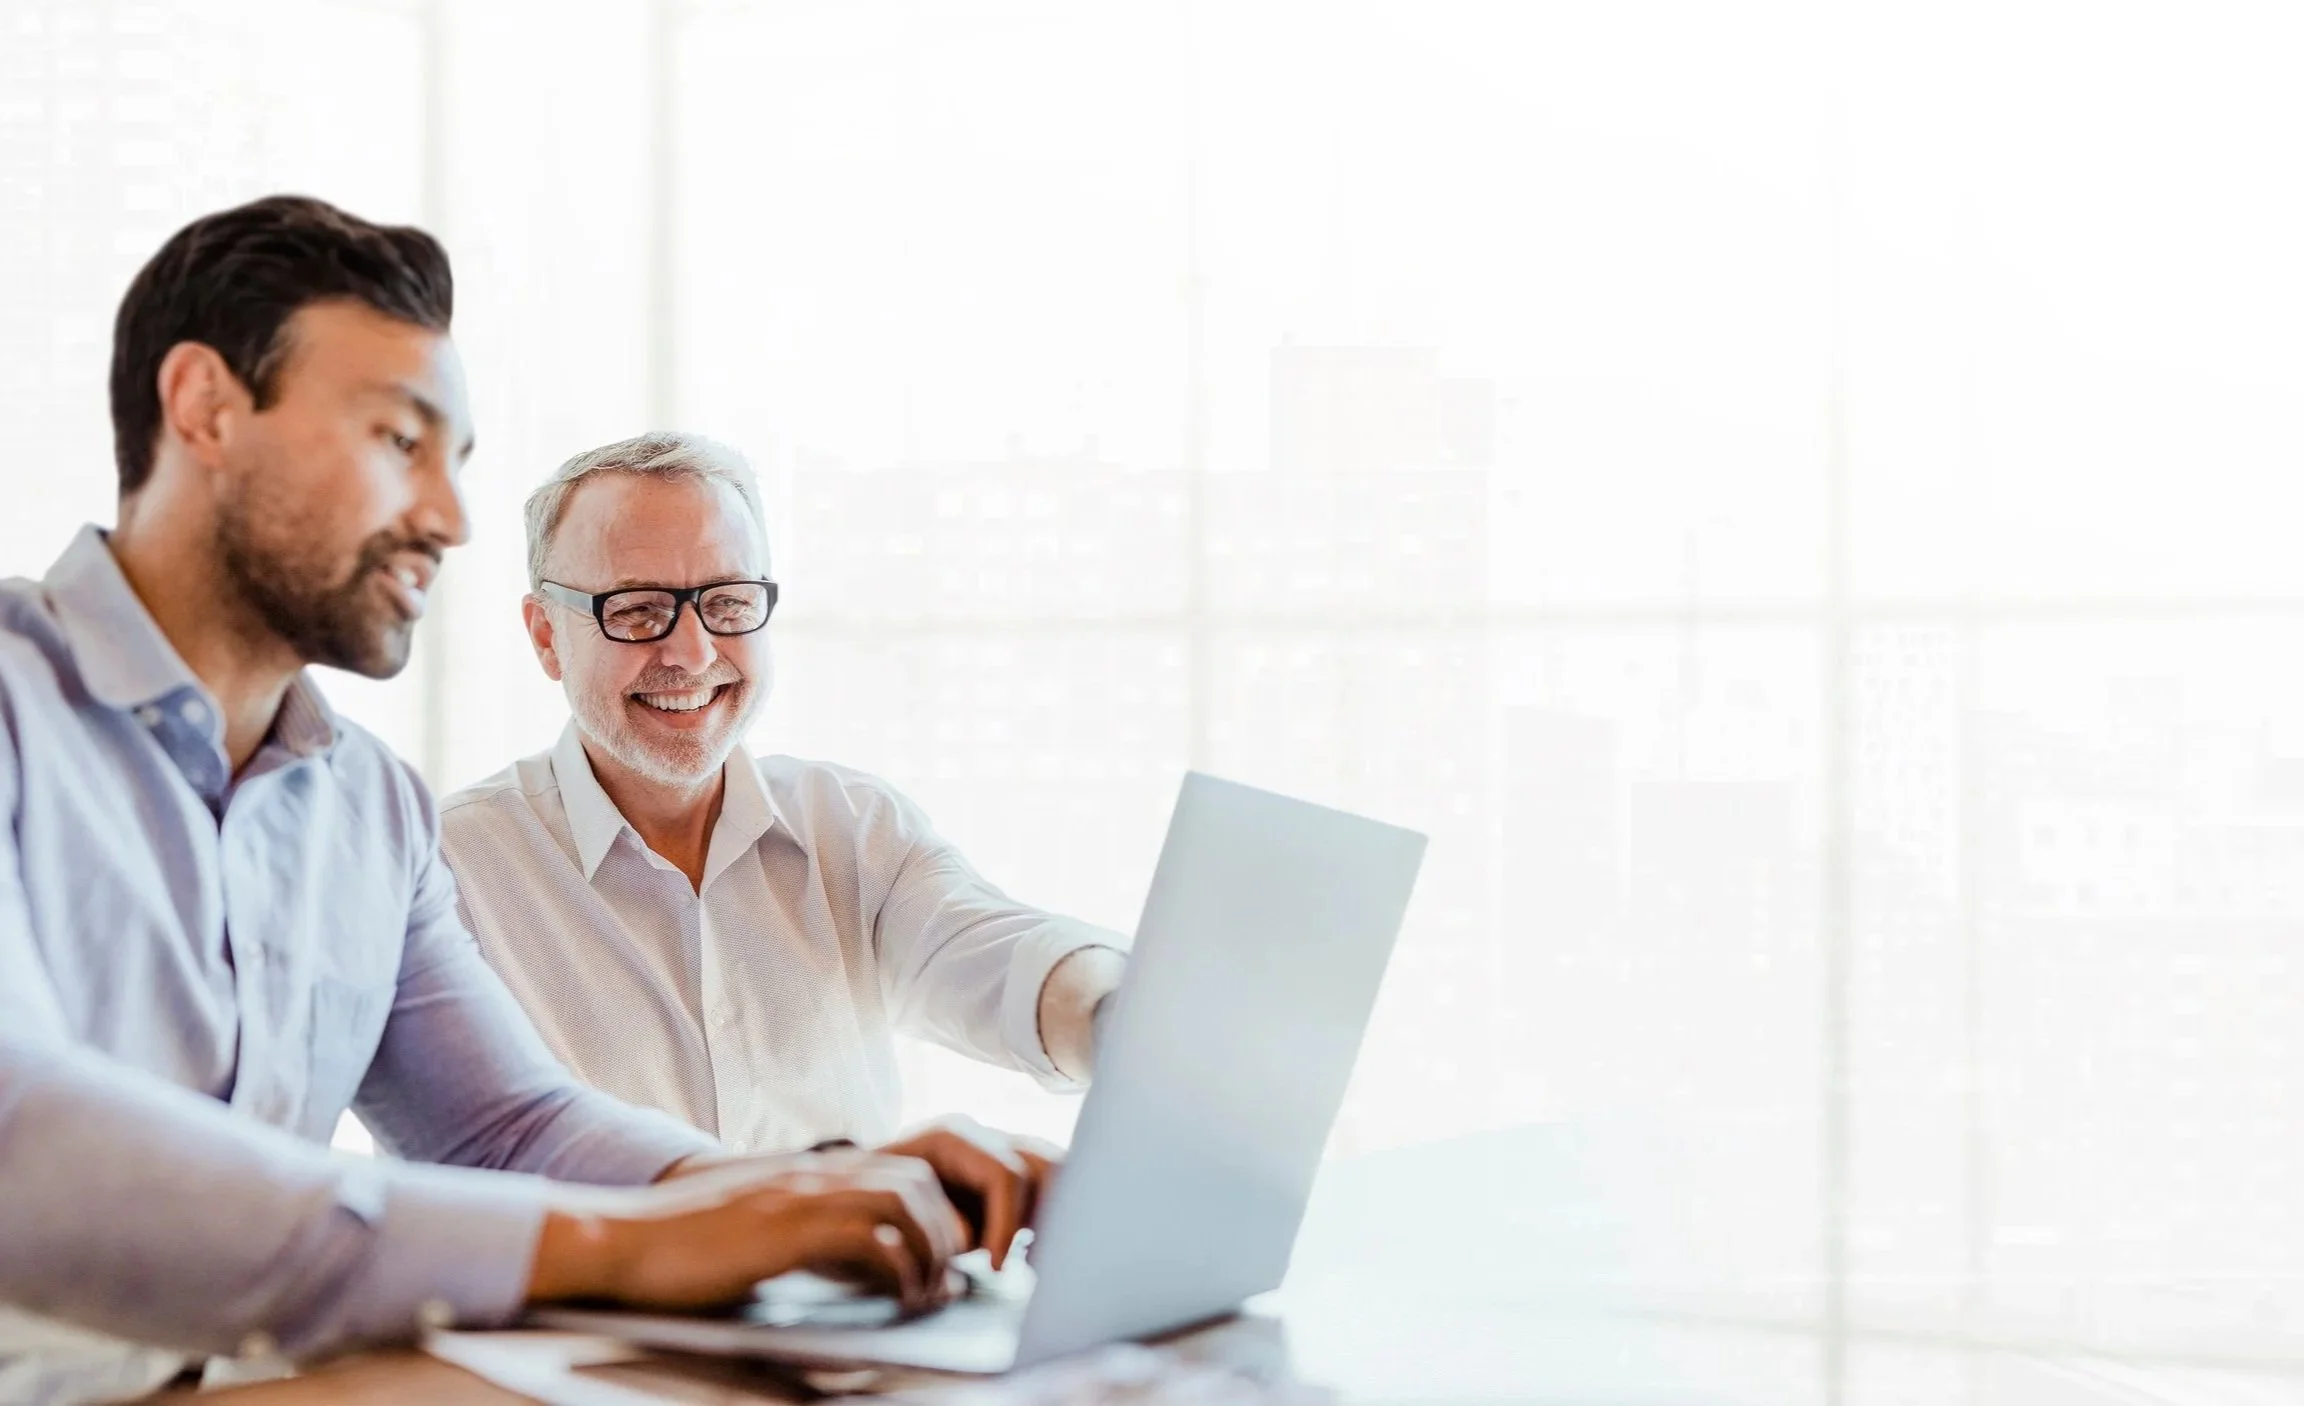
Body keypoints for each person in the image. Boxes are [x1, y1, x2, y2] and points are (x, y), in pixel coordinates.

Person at [0, 197, 1039, 1405]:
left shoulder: (369, 811)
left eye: (458, 462)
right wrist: (634, 1245)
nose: (447, 517)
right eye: (400, 439)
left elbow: (509, 1131)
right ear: (206, 409)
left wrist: (810, 1196)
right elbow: (22, 1141)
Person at [438, 432, 1131, 1154]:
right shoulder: (449, 869)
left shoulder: (851, 827)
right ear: (546, 635)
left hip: (863, 1270)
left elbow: (1001, 958)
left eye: (729, 603)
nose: (693, 653)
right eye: (638, 611)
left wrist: (1119, 1022)